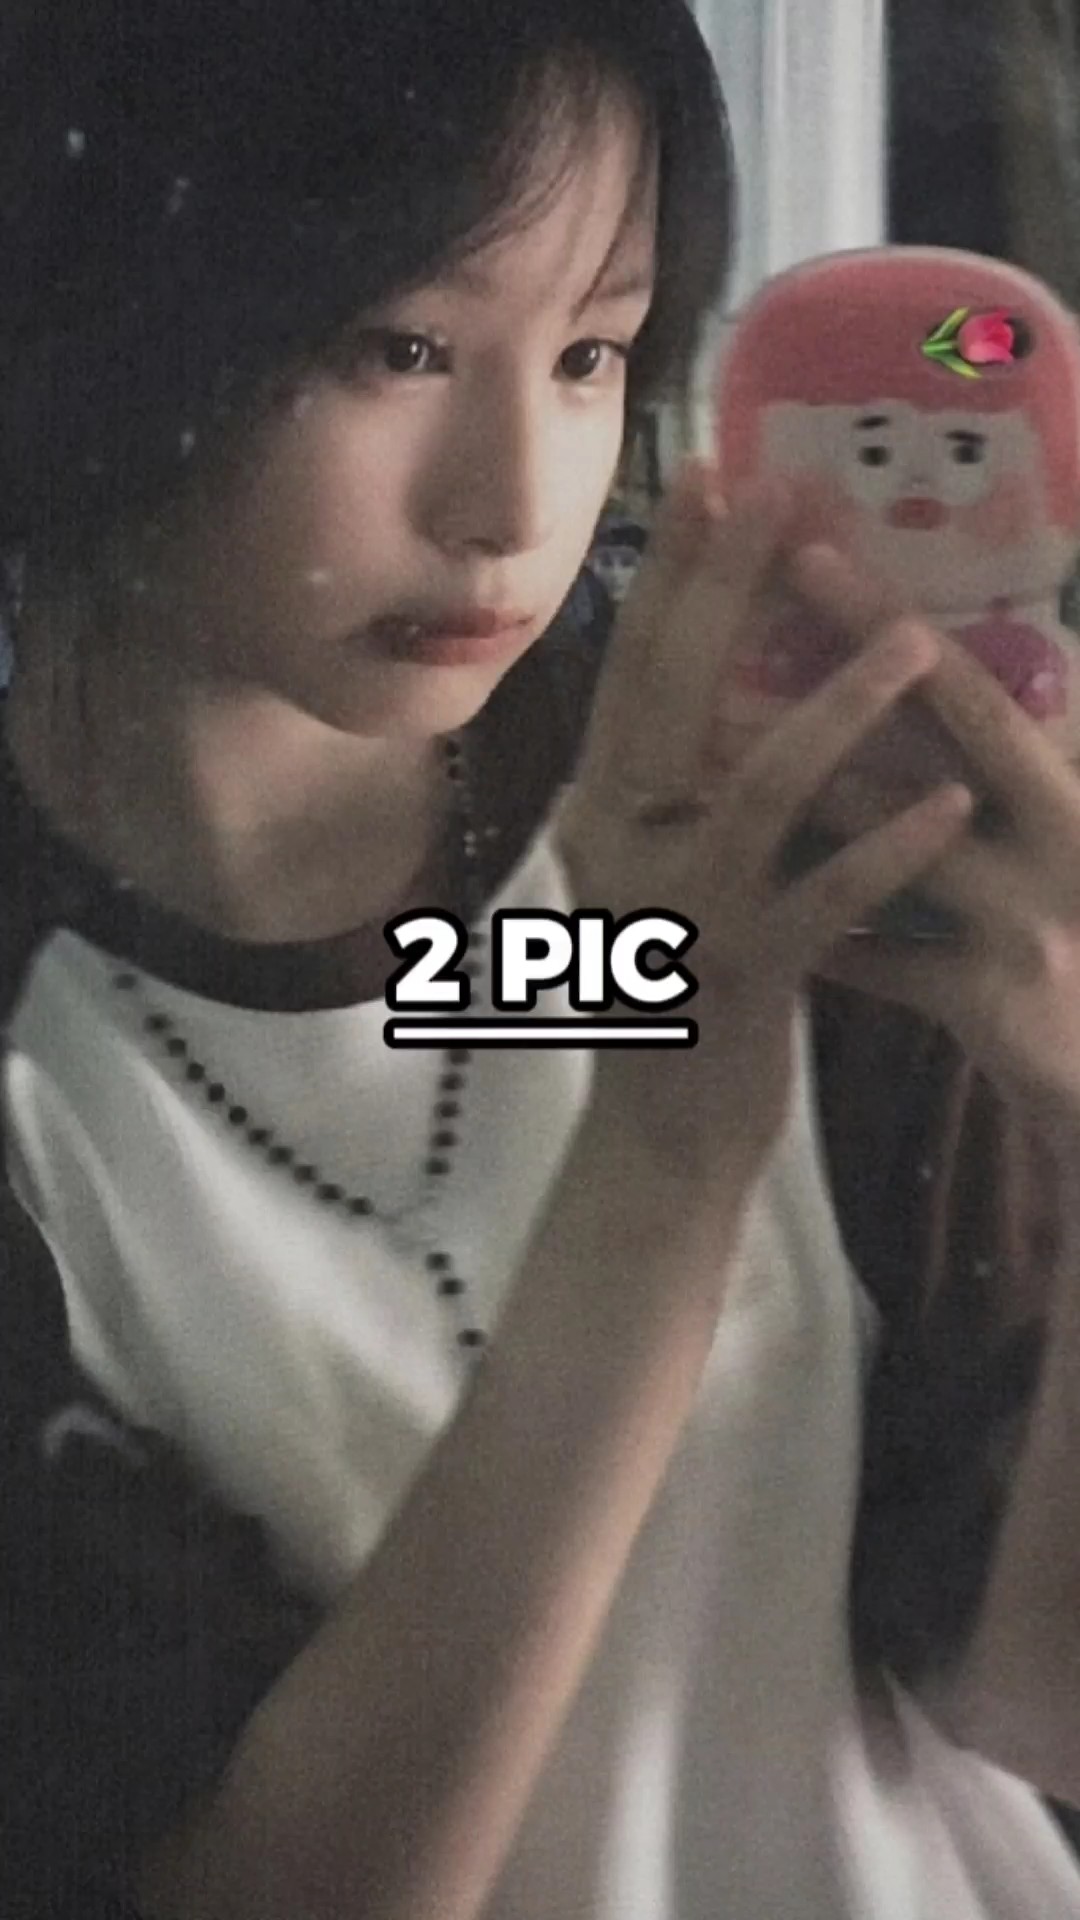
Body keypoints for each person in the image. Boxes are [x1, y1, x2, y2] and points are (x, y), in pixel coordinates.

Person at [3, 3, 1080, 1917]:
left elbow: (1036, 1701)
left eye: (593, 351)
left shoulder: (728, 790)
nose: (513, 503)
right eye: (398, 348)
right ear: (104, 303)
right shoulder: (52, 1062)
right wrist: (662, 1160)